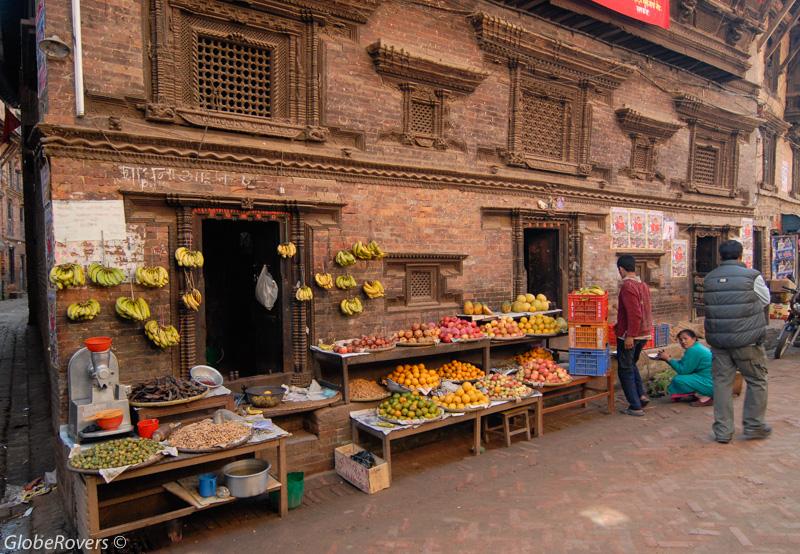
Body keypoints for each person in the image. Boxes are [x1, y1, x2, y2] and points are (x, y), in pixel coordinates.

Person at [703, 240, 771, 444]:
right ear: (741, 256)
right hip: (747, 341)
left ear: (720, 257)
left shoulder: (709, 278)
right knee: (757, 381)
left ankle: (723, 431)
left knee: (722, 384)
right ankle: (754, 425)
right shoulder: (752, 276)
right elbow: (765, 299)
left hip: (719, 341)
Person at [614, 254, 653, 416]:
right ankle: (641, 396)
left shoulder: (628, 286)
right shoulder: (642, 285)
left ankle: (635, 406)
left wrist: (630, 335)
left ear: (621, 269)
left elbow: (635, 313)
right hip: (644, 333)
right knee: (631, 365)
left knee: (625, 369)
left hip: (632, 335)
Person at [656, 329, 713, 406]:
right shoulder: (697, 347)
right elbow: (685, 364)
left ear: (694, 338)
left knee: (678, 379)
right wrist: (668, 359)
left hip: (710, 383)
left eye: (685, 338)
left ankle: (706, 397)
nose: (683, 341)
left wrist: (668, 359)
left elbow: (683, 371)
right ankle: (701, 393)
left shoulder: (693, 350)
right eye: (680, 340)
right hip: (713, 381)